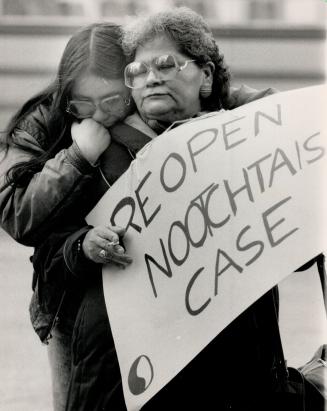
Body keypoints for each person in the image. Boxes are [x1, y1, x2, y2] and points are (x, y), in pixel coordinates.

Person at [35, 8, 288, 411]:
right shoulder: (91, 151)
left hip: (232, 366)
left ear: (205, 76)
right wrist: (83, 246)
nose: (151, 77)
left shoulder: (250, 139)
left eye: (166, 64)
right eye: (137, 71)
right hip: (121, 373)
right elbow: (46, 249)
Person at [0, 22, 134, 411]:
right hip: (67, 303)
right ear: (65, 95)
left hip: (145, 294)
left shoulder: (152, 107)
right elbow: (16, 213)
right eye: (83, 104)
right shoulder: (43, 121)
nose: (98, 115)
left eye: (112, 101)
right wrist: (77, 157)